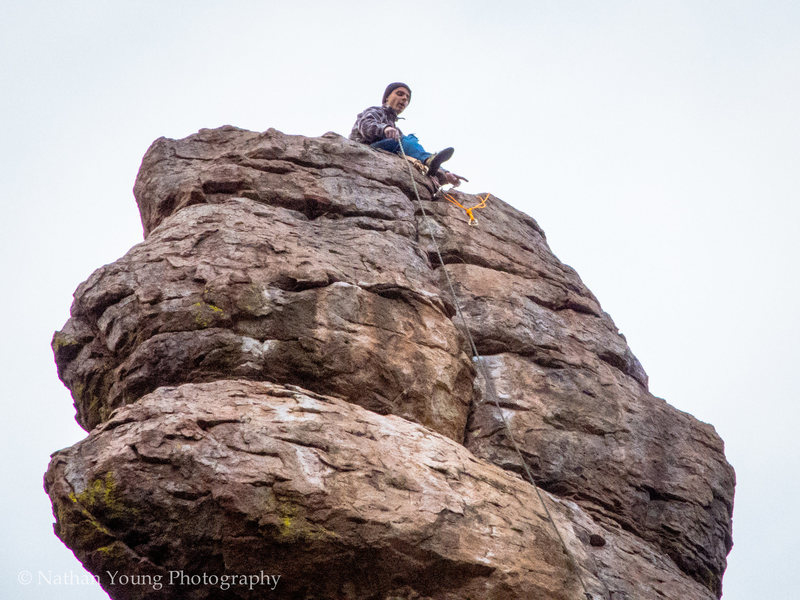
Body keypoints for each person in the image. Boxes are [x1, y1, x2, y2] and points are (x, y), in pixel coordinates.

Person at [349, 82, 463, 186]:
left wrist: (445, 171)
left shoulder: (394, 127)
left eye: (407, 98)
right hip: (363, 150)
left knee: (408, 143)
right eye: (400, 94)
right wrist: (384, 128)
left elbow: (415, 151)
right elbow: (365, 125)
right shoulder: (376, 111)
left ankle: (439, 172)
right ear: (387, 97)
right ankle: (430, 163)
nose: (404, 98)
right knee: (405, 140)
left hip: (380, 154)